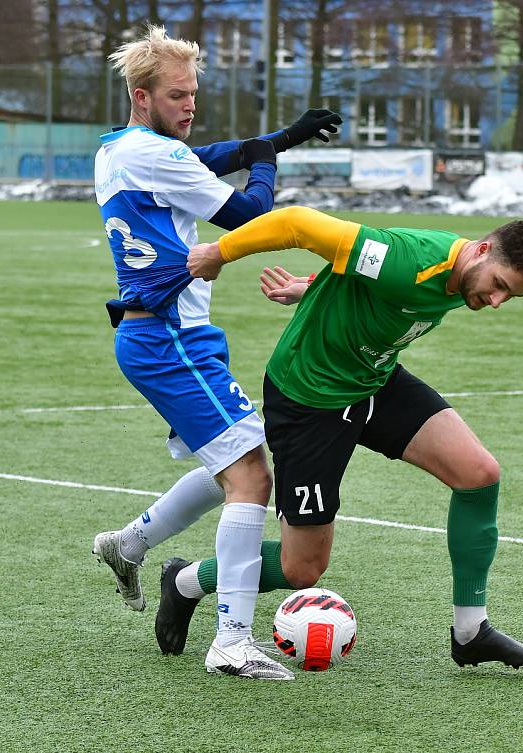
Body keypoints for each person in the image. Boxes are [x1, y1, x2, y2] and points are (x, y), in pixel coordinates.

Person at [155, 205, 523, 670]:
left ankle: (470, 632)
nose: (496, 302)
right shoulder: (406, 260)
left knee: (479, 475)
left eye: (511, 296)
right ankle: (185, 581)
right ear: (482, 249)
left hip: (374, 380)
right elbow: (297, 223)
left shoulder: (464, 273)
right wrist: (218, 253)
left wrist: (313, 288)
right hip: (312, 399)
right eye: (500, 286)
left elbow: (368, 287)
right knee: (301, 570)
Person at [92, 25, 341, 681]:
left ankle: (131, 542)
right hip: (169, 338)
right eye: (177, 95)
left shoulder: (118, 149)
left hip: (166, 335)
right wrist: (268, 161)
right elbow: (249, 215)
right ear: (142, 98)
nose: (190, 103)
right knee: (252, 477)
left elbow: (200, 155)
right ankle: (232, 639)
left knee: (236, 458)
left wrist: (276, 138)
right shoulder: (157, 156)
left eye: (194, 92)